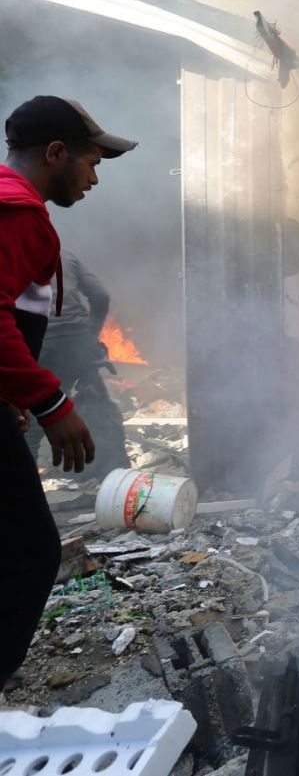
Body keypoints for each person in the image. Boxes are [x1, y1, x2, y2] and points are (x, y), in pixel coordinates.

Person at [0, 96, 136, 690]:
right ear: (56, 153)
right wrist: (50, 403)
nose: (95, 178)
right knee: (30, 553)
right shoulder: (18, 214)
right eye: (91, 162)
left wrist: (12, 394)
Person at [25, 249, 130, 480]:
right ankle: (115, 475)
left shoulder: (10, 253)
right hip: (77, 340)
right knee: (96, 404)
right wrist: (90, 334)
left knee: (32, 421)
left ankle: (23, 489)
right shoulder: (64, 255)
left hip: (39, 341)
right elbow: (101, 297)